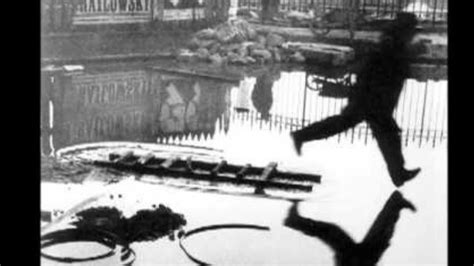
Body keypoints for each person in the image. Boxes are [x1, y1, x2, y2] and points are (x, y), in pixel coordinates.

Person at [290, 12, 424, 187]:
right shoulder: (391, 44)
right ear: (405, 30)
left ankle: (398, 173)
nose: (413, 34)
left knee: (381, 134)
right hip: (371, 100)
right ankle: (398, 173)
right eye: (412, 30)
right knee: (381, 133)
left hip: (374, 100)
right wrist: (412, 53)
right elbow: (383, 67)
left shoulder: (394, 42)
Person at [284, 191, 416, 266]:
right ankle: (395, 204)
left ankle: (295, 221)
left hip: (353, 263)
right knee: (380, 237)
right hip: (361, 262)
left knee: (333, 233)